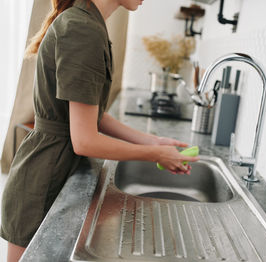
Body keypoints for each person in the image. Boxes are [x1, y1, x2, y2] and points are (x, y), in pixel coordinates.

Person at [0, 0, 199, 261]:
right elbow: (85, 141)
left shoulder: (87, 23)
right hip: (46, 176)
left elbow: (93, 113)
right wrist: (154, 154)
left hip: (54, 168)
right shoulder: (83, 29)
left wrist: (154, 141)